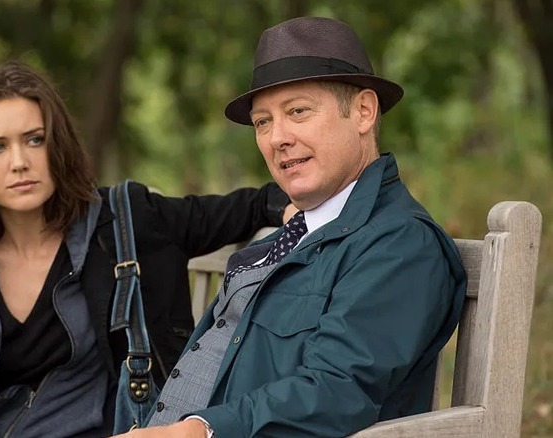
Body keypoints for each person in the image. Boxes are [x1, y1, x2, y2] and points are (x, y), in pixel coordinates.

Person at [0, 61, 295, 437]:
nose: (19, 162)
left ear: (57, 145)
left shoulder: (126, 221)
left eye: (34, 140)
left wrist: (288, 208)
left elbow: (248, 206)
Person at [113, 16, 467, 438]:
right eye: (263, 122)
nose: (276, 137)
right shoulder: (294, 237)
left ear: (363, 112)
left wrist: (198, 431)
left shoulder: (399, 243)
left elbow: (338, 391)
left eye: (298, 111)